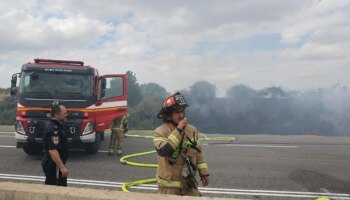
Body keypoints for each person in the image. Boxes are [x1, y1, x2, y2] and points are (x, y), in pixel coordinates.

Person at [153, 92, 209, 196]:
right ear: (169, 114)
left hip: (189, 185)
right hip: (169, 187)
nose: (180, 115)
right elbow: (163, 151)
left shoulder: (192, 130)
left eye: (182, 111)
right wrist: (178, 130)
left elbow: (199, 154)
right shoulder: (160, 131)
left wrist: (204, 173)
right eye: (177, 112)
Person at [41, 104, 69, 186]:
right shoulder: (54, 129)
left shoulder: (55, 125)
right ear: (57, 114)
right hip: (54, 164)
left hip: (55, 163)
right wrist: (62, 167)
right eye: (64, 113)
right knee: (56, 188)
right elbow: (53, 150)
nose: (66, 115)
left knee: (54, 185)